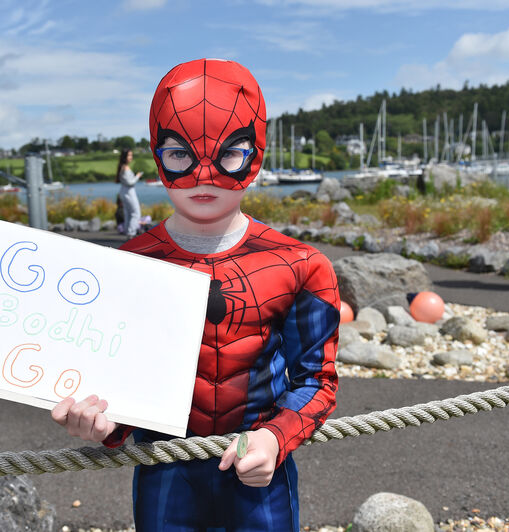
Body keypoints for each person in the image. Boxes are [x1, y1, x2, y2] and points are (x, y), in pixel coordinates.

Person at [52, 58, 340, 531]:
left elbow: (318, 380)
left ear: (256, 153)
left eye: (230, 154)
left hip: (258, 467)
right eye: (179, 154)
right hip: (164, 465)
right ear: (157, 153)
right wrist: (105, 422)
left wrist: (276, 437)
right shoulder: (126, 265)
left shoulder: (301, 264)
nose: (204, 174)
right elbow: (118, 376)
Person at [116, 148, 142, 238]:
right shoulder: (126, 168)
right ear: (125, 157)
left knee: (128, 213)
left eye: (131, 155)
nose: (131, 157)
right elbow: (130, 182)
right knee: (136, 213)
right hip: (129, 192)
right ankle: (131, 233)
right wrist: (137, 176)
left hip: (124, 192)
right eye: (129, 155)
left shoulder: (122, 167)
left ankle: (128, 231)